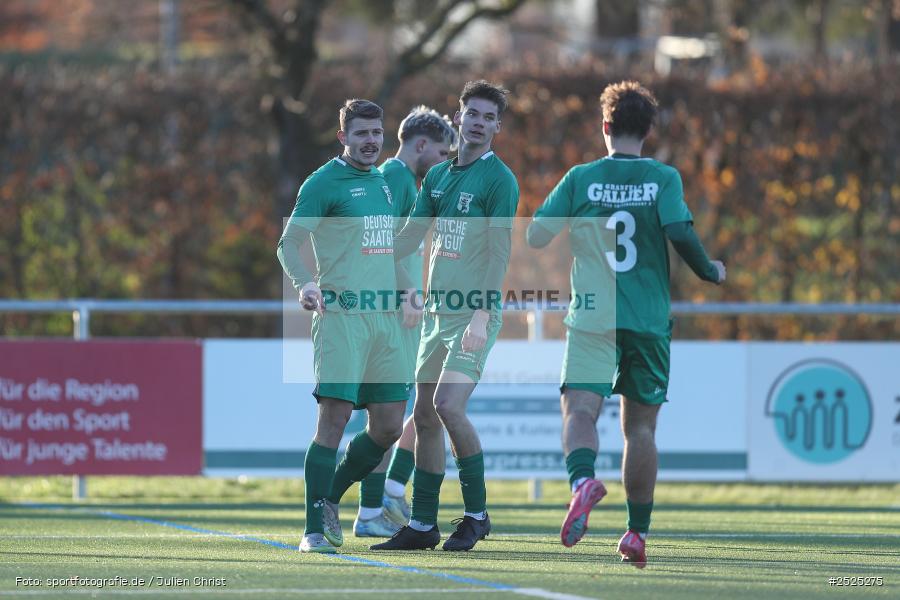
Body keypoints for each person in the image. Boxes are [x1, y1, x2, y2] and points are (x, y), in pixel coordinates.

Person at [526, 81, 726, 568]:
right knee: (640, 430)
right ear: (650, 130)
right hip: (647, 321)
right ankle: (636, 532)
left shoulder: (581, 177)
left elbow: (535, 234)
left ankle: (582, 482)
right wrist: (709, 270)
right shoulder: (663, 177)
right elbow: (679, 231)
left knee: (579, 412)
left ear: (606, 126)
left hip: (594, 315)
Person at [371, 80, 519, 552]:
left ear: (497, 126)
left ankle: (476, 515)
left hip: (473, 315)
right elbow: (410, 238)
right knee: (424, 415)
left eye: (488, 117)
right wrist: (362, 252)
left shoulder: (500, 181)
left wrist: (481, 314)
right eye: (471, 113)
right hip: (436, 314)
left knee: (448, 406)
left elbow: (499, 255)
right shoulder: (437, 177)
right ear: (458, 118)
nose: (478, 122)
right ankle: (424, 525)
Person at [277, 99, 413, 554]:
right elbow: (289, 243)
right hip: (341, 319)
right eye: (361, 134)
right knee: (333, 422)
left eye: (377, 132)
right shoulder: (323, 182)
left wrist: (409, 289)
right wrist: (305, 283)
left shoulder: (384, 183)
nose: (371, 141)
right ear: (343, 137)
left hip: (386, 323)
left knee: (391, 426)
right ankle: (313, 530)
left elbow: (391, 250)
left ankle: (328, 498)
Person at [354, 106, 458, 537]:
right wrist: (409, 293)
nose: (444, 162)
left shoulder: (405, 181)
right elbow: (386, 246)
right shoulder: (395, 178)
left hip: (400, 314)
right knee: (386, 416)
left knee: (406, 411)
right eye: (441, 152)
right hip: (389, 315)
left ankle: (385, 495)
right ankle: (369, 508)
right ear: (419, 145)